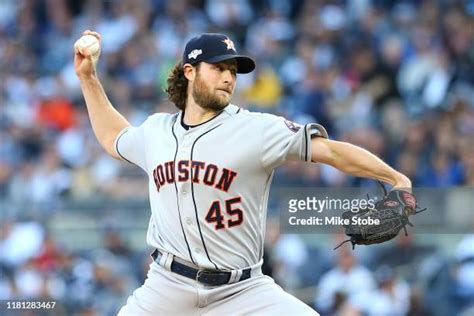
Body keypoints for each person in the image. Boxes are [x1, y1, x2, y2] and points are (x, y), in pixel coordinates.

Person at [74, 30, 412, 315]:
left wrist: (395, 178)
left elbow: (332, 151)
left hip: (244, 292)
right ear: (189, 71)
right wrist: (88, 78)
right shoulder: (156, 131)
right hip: (167, 287)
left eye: (233, 71)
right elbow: (112, 136)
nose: (228, 77)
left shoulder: (257, 129)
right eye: (218, 67)